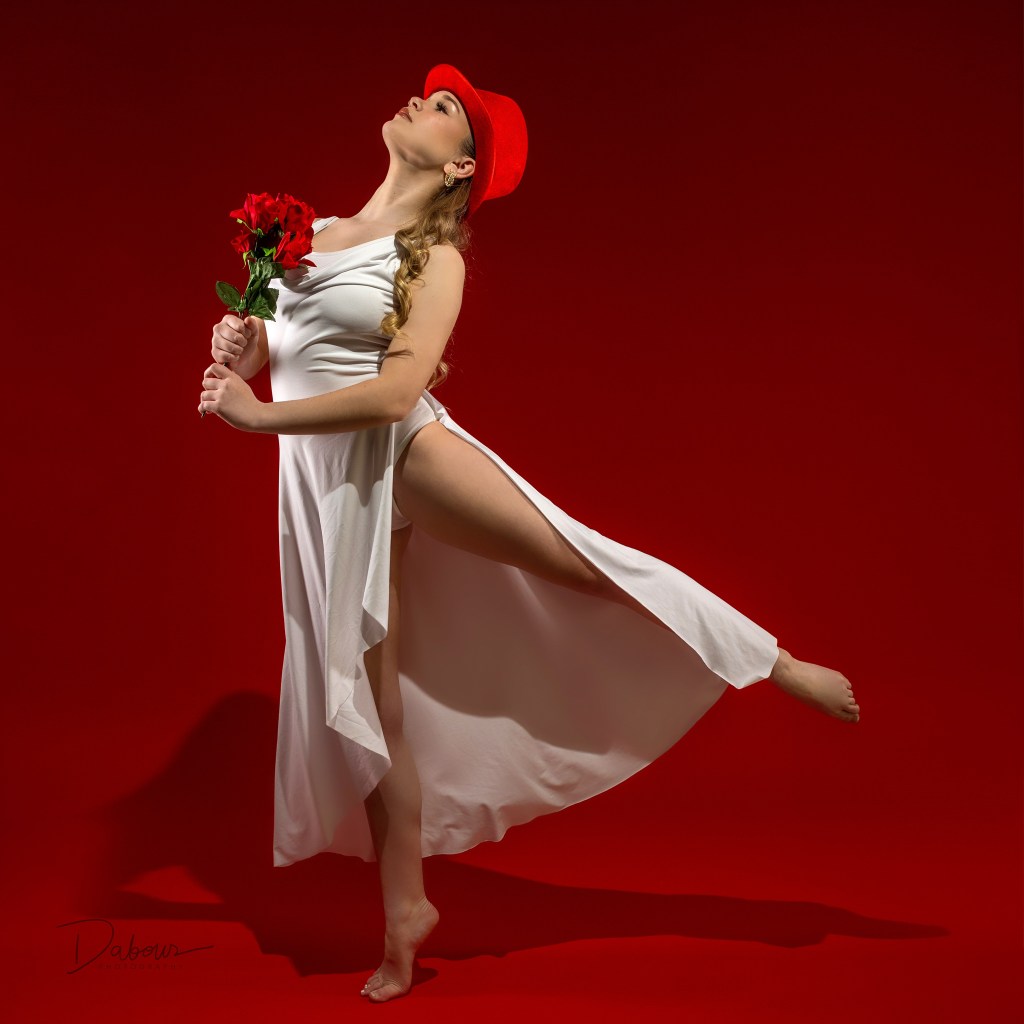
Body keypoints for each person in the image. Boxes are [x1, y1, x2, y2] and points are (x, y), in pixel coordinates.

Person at [197, 63, 861, 1003]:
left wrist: (255, 419)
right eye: (424, 94)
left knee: (582, 561)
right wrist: (246, 348)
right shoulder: (317, 235)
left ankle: (771, 662)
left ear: (463, 166)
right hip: (324, 487)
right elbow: (285, 350)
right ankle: (405, 917)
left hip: (401, 454)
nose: (415, 102)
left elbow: (393, 389)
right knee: (371, 711)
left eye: (439, 110)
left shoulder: (436, 260)